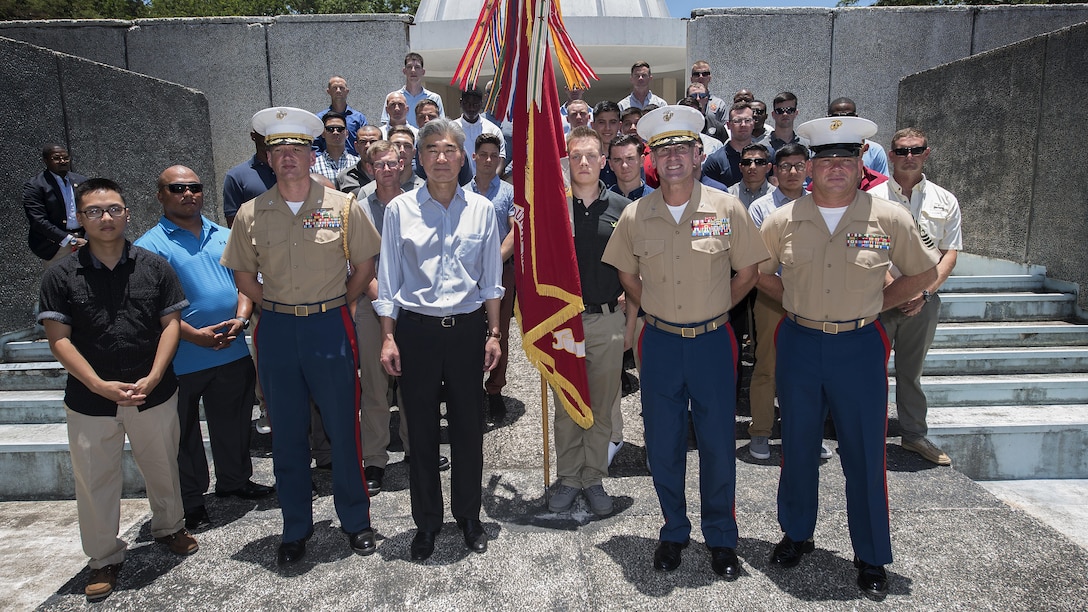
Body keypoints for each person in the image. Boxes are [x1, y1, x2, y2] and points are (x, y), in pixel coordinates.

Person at [758, 116, 939, 599]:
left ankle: (871, 553)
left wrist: (876, 303)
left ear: (861, 164)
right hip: (799, 342)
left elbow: (924, 272)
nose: (835, 168)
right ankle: (797, 533)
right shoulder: (783, 220)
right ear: (809, 168)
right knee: (796, 446)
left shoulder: (890, 217)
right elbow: (758, 272)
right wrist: (796, 298)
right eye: (825, 160)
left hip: (859, 346)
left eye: (846, 159)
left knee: (864, 454)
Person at [602, 105, 769, 579]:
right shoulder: (636, 214)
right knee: (663, 444)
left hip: (714, 342)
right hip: (659, 342)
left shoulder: (727, 207)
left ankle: (721, 537)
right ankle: (674, 529)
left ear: (699, 155)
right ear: (652, 158)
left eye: (682, 147)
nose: (672, 156)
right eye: (663, 149)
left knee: (717, 443)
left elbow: (750, 271)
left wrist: (716, 305)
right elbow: (625, 272)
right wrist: (654, 303)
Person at [220, 107, 382, 565]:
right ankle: (295, 527)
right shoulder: (250, 214)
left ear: (312, 157)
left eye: (297, 150)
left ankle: (356, 521)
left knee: (343, 429)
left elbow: (365, 265)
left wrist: (342, 303)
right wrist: (272, 306)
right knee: (286, 434)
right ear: (268, 159)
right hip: (276, 330)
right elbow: (244, 275)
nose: (288, 158)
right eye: (279, 151)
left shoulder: (343, 207)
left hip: (330, 326)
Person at [38, 178, 198, 602]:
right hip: (91, 400)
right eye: (94, 211)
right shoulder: (60, 275)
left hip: (153, 391)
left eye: (113, 209)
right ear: (80, 219)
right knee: (95, 481)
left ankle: (170, 527)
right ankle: (103, 557)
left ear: (127, 214)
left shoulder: (154, 266)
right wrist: (98, 384)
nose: (105, 218)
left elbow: (170, 325)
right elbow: (59, 339)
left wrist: (156, 374)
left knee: (163, 465)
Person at [375, 118, 504, 561]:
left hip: (468, 330)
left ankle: (469, 516)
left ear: (462, 154)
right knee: (423, 434)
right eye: (432, 149)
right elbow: (388, 282)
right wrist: (388, 338)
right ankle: (427, 522)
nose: (442, 158)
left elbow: (492, 280)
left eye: (450, 149)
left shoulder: (482, 210)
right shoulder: (399, 211)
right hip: (417, 333)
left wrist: (494, 333)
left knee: (470, 429)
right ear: (420, 157)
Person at [134, 166, 274, 531]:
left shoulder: (224, 235)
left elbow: (245, 282)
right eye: (177, 188)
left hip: (230, 350)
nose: (188, 194)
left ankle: (236, 481)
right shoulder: (149, 247)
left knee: (233, 423)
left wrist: (242, 318)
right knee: (183, 436)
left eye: (194, 187)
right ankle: (192, 500)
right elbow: (150, 308)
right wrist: (195, 335)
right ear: (160, 195)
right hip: (181, 358)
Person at [547, 126, 631, 517]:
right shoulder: (552, 208)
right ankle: (568, 477)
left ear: (603, 161)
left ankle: (593, 477)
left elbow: (636, 266)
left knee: (599, 405)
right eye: (575, 155)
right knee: (567, 404)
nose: (583, 162)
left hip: (606, 322)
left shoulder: (622, 208)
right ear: (567, 161)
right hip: (563, 323)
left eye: (591, 156)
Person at [873, 127, 962, 467]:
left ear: (927, 153)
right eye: (901, 150)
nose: (908, 156)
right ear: (891, 155)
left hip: (923, 301)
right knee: (871, 371)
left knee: (911, 372)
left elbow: (949, 253)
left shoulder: (945, 200)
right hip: (879, 296)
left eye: (916, 150)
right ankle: (869, 435)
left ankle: (913, 435)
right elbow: (868, 245)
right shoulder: (873, 197)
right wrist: (895, 288)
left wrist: (923, 292)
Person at [746, 143, 809, 461]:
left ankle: (804, 433)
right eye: (785, 166)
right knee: (767, 366)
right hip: (772, 295)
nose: (792, 172)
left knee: (806, 369)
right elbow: (757, 261)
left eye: (799, 165)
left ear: (808, 169)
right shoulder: (761, 208)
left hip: (813, 300)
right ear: (775, 170)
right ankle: (760, 432)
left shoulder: (820, 205)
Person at [355, 140, 411, 494]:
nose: (387, 170)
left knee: (414, 383)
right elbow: (356, 262)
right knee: (376, 387)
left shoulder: (415, 203)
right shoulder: (357, 208)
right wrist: (384, 301)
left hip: (414, 307)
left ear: (402, 165)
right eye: (380, 165)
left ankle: (415, 449)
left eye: (393, 163)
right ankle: (375, 460)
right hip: (371, 304)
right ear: (370, 169)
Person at [470, 134, 517, 423]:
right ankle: (469, 388)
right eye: (483, 154)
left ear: (499, 159)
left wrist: (492, 262)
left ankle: (495, 390)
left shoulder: (509, 193)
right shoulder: (461, 191)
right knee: (470, 330)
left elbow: (516, 232)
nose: (488, 160)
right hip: (468, 274)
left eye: (493, 155)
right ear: (474, 157)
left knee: (498, 333)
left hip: (502, 271)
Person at [23, 144, 89, 266]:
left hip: (84, 241)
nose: (62, 161)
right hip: (56, 244)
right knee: (60, 282)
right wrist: (71, 240)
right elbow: (38, 220)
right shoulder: (36, 186)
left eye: (66, 157)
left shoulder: (81, 181)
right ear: (46, 161)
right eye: (57, 158)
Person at [222, 130, 276, 229]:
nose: (269, 137)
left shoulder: (297, 174)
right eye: (263, 132)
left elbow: (311, 212)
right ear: (253, 136)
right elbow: (234, 225)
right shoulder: (236, 176)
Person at [381, 52, 445, 128]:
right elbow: (386, 124)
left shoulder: (434, 98)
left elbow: (441, 124)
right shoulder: (393, 97)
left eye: (417, 67)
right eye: (409, 67)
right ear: (404, 71)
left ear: (423, 71)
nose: (413, 70)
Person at [828, 97, 888, 175]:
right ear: (828, 119)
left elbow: (882, 183)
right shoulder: (817, 149)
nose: (843, 121)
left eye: (849, 116)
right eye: (837, 117)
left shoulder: (875, 151)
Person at [453, 87, 505, 175]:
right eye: (467, 104)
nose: (471, 108)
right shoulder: (451, 129)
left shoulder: (493, 129)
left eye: (475, 104)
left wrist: (490, 181)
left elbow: (501, 159)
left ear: (481, 104)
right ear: (461, 103)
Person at [315, 75, 367, 155]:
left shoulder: (359, 118)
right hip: (326, 165)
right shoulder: (319, 118)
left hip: (354, 164)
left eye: (341, 88)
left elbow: (365, 142)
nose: (338, 91)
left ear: (347, 91)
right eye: (334, 88)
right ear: (328, 91)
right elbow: (315, 145)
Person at [311, 112, 360, 188]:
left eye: (340, 129)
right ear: (323, 134)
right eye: (330, 129)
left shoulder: (358, 163)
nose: (335, 132)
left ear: (347, 133)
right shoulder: (312, 165)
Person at [337, 125, 383, 195]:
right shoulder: (345, 177)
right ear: (356, 146)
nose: (367, 145)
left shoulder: (391, 173)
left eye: (373, 141)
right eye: (363, 142)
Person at [608, 133, 654, 200]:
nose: (624, 165)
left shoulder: (657, 200)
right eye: (618, 160)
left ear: (641, 160)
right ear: (610, 164)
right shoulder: (603, 202)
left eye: (630, 159)